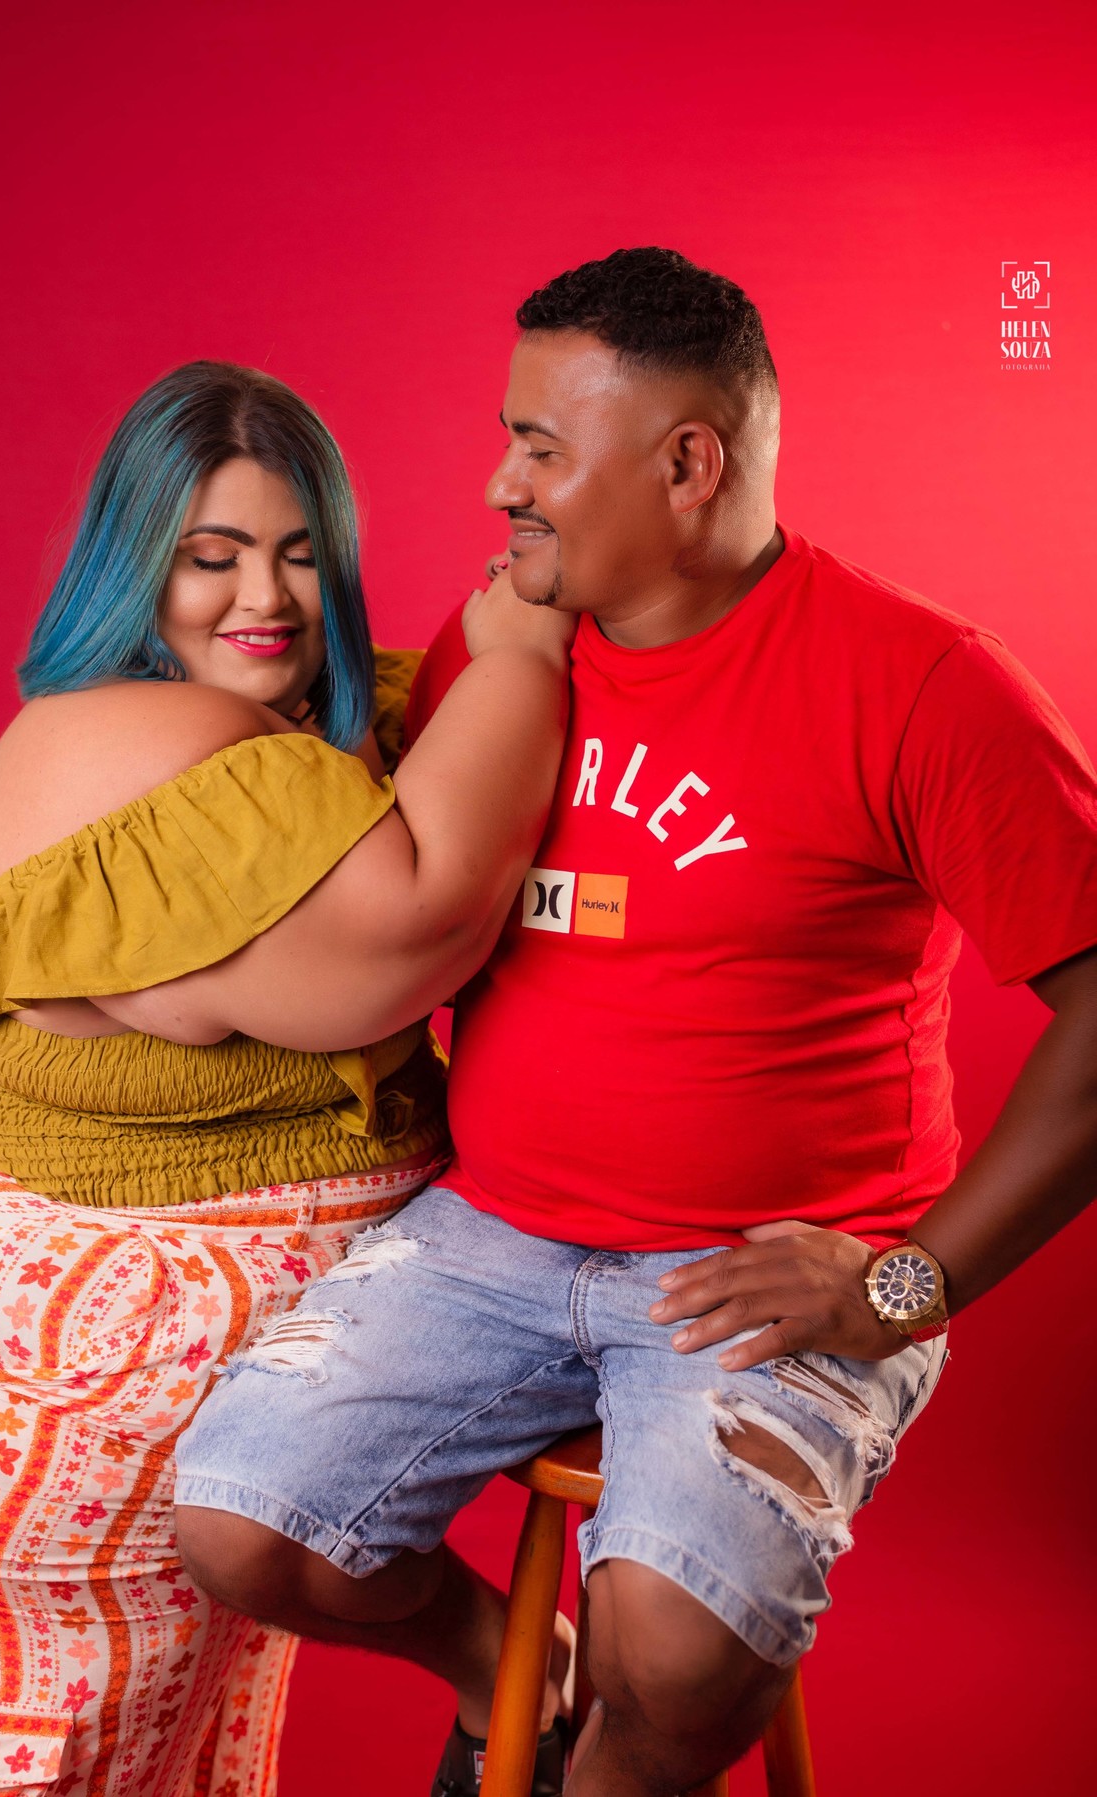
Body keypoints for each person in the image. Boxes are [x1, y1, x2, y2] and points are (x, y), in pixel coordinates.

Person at [173, 250, 1097, 1797]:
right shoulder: (501, 648)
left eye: (541, 446)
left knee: (673, 1657)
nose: (499, 483)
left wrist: (907, 1283)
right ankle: (510, 1684)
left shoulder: (924, 684)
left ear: (688, 465)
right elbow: (389, 910)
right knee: (240, 1522)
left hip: (764, 1268)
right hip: (494, 1233)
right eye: (509, 438)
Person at [0, 360, 572, 1795]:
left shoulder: (195, 727)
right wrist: (526, 650)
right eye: (211, 556)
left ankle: (508, 1675)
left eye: (300, 551)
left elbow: (380, 753)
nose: (262, 595)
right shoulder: (185, 753)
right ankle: (514, 1671)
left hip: (6, 1384)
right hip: (59, 1421)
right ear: (137, 567)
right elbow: (422, 920)